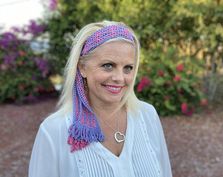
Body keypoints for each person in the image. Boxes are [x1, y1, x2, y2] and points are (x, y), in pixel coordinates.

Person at [28, 20, 172, 177]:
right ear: (82, 67)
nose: (119, 78)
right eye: (108, 65)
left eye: (128, 68)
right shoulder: (54, 130)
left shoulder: (147, 115)